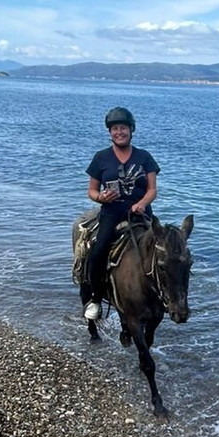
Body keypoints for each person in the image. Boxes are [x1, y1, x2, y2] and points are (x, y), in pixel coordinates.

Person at [82, 106, 160, 320]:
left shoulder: (145, 157)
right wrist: (101, 198)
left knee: (165, 251)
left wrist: (142, 203)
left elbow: (152, 190)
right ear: (110, 132)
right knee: (97, 252)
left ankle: (165, 296)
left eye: (123, 128)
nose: (119, 132)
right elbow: (91, 190)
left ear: (131, 130)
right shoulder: (101, 158)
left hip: (141, 214)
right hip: (112, 213)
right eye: (115, 128)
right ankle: (96, 299)